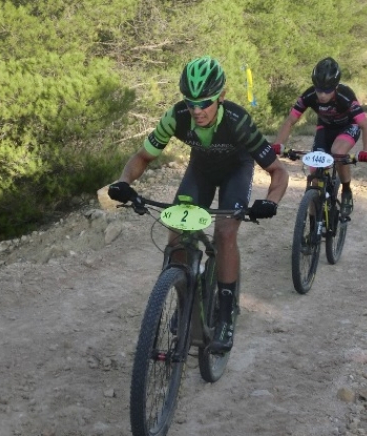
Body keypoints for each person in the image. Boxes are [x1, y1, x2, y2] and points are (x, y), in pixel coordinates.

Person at [108, 56, 289, 353]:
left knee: (225, 232)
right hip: (201, 170)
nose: (196, 110)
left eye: (204, 102)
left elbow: (278, 171)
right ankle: (183, 297)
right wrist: (124, 182)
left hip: (236, 170)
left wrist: (270, 202)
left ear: (221, 95)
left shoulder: (237, 121)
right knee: (177, 233)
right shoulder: (177, 116)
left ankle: (227, 310)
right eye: (190, 102)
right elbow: (142, 157)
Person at [273, 57, 367, 216]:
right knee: (314, 171)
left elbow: (365, 126)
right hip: (325, 128)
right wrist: (278, 144)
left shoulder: (345, 95)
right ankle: (313, 227)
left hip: (348, 126)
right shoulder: (309, 95)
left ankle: (346, 190)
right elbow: (291, 120)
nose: (322, 95)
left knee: (337, 152)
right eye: (318, 89)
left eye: (327, 90)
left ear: (335, 86)